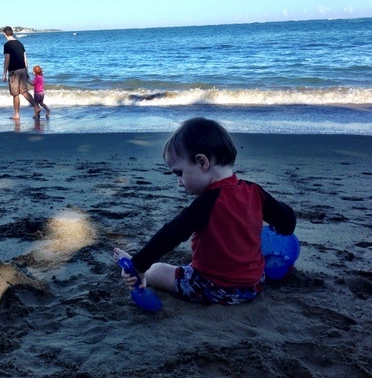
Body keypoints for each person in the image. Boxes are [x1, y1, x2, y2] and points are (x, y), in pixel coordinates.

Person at [114, 117, 296, 305]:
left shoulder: (207, 202)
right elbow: (288, 222)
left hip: (213, 289)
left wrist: (139, 265)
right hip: (253, 286)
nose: (179, 182)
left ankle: (146, 272)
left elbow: (170, 234)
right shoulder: (255, 191)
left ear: (202, 162)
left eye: (180, 173)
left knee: (157, 270)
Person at [2, 26, 40, 119]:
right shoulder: (20, 43)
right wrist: (26, 71)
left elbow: (7, 60)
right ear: (12, 33)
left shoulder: (7, 45)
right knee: (24, 91)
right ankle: (36, 107)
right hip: (23, 69)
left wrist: (4, 73)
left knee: (15, 94)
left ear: (4, 34)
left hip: (14, 72)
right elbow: (25, 58)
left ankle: (17, 114)